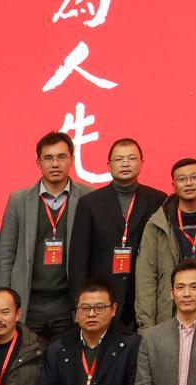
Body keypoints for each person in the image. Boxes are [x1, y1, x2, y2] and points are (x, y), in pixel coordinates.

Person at [0, 131, 96, 347]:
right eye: (48, 158)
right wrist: (3, 301)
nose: (55, 164)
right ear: (38, 162)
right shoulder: (19, 200)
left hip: (68, 302)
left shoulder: (89, 197)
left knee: (67, 359)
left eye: (61, 157)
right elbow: (6, 254)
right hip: (29, 300)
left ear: (72, 159)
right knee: (27, 360)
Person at [71, 138, 167, 335]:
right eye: (119, 159)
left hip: (143, 296)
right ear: (108, 165)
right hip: (101, 299)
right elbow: (78, 260)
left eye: (131, 158)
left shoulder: (158, 200)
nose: (125, 163)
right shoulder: (90, 203)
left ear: (142, 162)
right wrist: (80, 303)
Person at [135, 158, 196, 330]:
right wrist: (146, 327)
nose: (188, 183)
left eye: (194, 177)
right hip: (169, 314)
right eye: (182, 179)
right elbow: (146, 277)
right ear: (173, 185)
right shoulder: (157, 223)